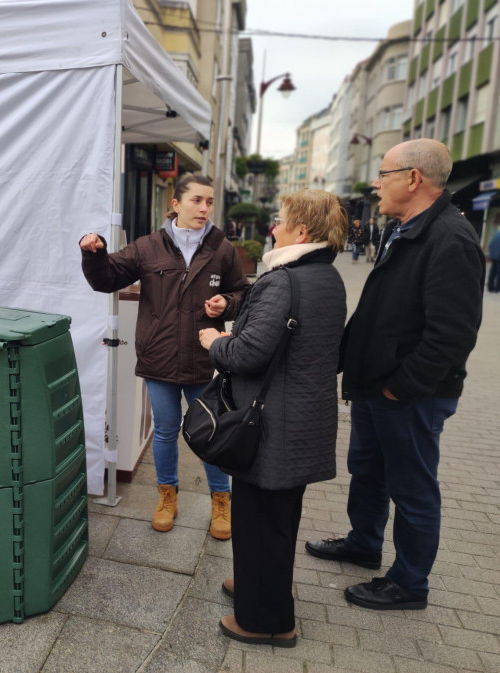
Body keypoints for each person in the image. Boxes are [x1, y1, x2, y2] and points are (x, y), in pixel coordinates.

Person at [306, 139, 485, 611]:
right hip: (375, 387)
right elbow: (382, 311)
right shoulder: (403, 228)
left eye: (384, 174)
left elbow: (452, 335)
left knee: (412, 488)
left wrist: (398, 388)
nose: (375, 184)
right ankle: (364, 544)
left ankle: (409, 584)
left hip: (410, 395)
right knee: (368, 471)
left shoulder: (450, 238)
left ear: (413, 179)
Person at [199, 189, 347, 648]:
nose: (273, 228)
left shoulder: (283, 280)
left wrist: (213, 342)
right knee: (275, 521)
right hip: (298, 423)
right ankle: (257, 587)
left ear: (301, 231)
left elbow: (249, 353)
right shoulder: (326, 277)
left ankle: (267, 622)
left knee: (262, 522)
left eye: (280, 220)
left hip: (271, 429)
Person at [80, 173, 247, 539]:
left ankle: (222, 500)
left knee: (213, 431)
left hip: (205, 359)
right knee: (166, 431)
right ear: (175, 204)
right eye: (196, 201)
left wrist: (228, 303)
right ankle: (167, 496)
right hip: (159, 358)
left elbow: (242, 293)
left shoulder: (222, 249)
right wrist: (93, 253)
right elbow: (106, 278)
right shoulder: (148, 246)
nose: (204, 208)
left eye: (209, 202)